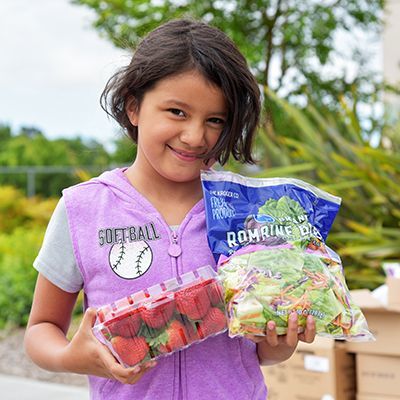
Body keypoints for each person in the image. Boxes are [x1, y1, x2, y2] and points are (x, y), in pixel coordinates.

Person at [24, 18, 316, 400]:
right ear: (133, 107)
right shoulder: (82, 209)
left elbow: (256, 348)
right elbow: (40, 329)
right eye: (177, 112)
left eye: (215, 120)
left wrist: (278, 345)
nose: (196, 136)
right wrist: (72, 356)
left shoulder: (248, 213)